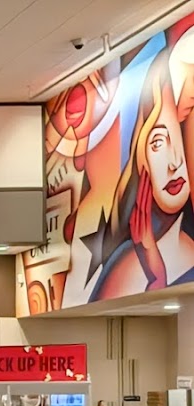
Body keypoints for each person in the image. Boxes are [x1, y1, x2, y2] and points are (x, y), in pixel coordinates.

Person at [91, 51, 194, 299]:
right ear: (141, 156)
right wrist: (156, 277)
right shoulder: (128, 267)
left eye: (181, 137)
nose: (175, 162)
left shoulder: (189, 247)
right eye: (158, 142)